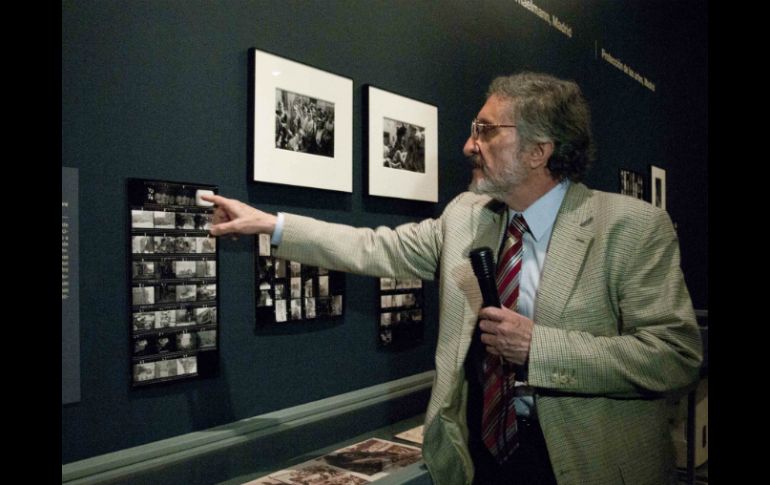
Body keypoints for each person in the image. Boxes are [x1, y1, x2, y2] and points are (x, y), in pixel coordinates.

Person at [202, 72, 702, 485]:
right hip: (481, 460)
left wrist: (539, 347)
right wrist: (272, 225)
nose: (468, 145)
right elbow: (378, 247)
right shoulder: (467, 216)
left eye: (486, 131)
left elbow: (675, 355)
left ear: (538, 151)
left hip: (584, 463)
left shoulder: (630, 227)